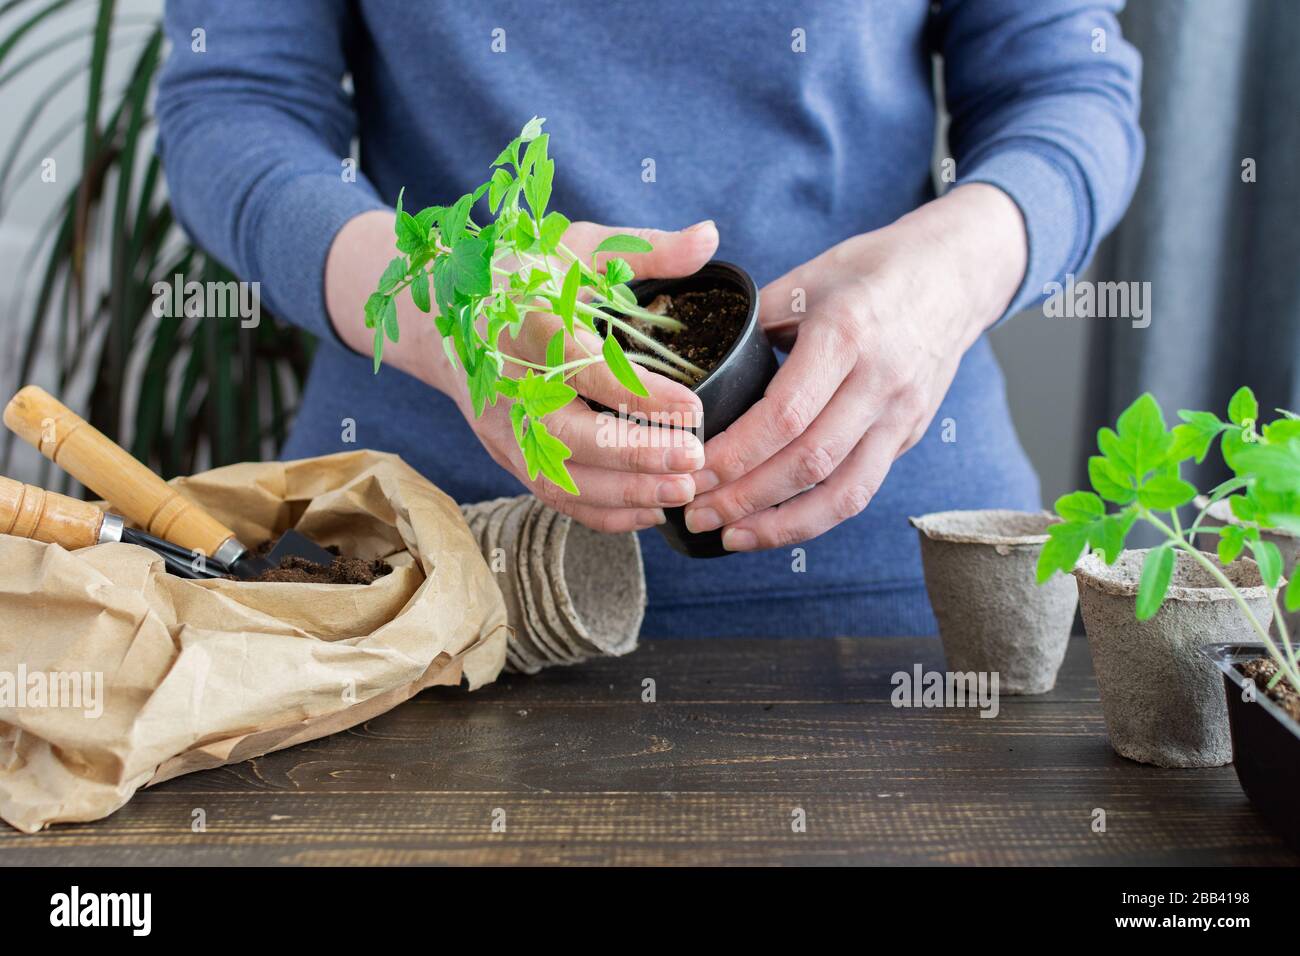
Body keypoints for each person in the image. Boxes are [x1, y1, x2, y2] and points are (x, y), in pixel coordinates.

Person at [156, 1, 1143, 637]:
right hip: (422, 576)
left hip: (896, 571)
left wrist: (943, 282)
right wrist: (448, 312)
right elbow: (237, 105)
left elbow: (1066, 87)